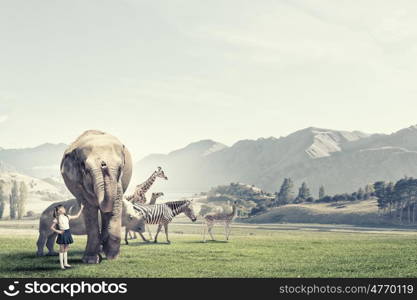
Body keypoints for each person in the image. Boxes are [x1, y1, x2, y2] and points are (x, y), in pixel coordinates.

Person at [50, 203, 84, 269]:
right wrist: (58, 231)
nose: (64, 209)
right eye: (62, 209)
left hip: (67, 232)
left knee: (66, 248)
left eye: (63, 208)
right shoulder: (57, 219)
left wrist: (81, 208)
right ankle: (62, 265)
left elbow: (77, 216)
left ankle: (66, 263)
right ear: (58, 211)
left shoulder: (67, 216)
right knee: (61, 249)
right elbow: (51, 227)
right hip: (62, 233)